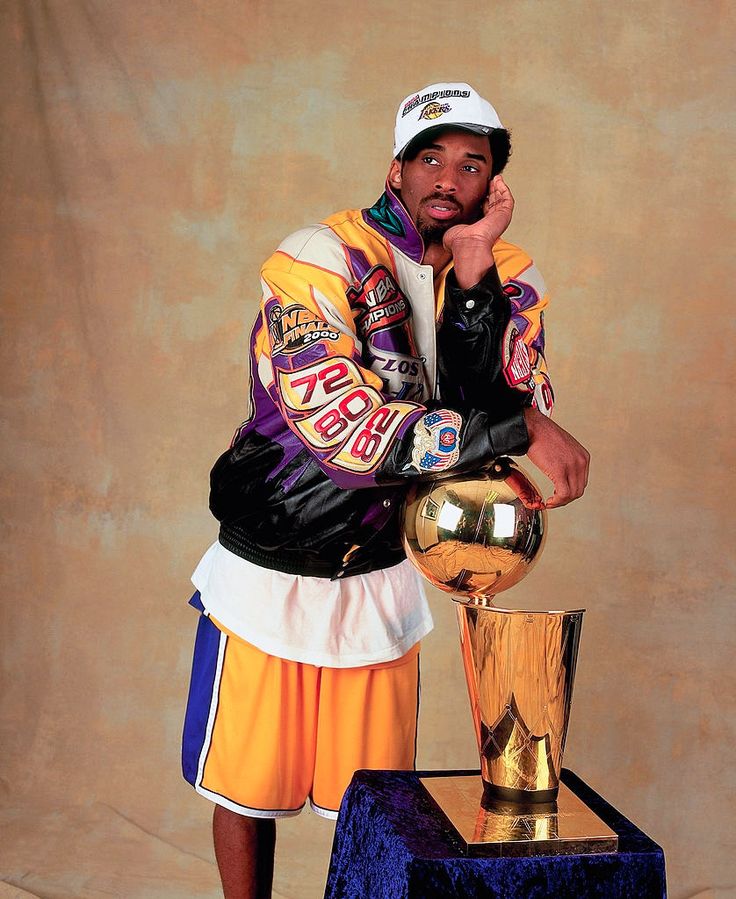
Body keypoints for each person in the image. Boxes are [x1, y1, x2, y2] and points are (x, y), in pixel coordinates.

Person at [181, 81, 589, 898]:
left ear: (493, 186)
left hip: (381, 570)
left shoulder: (511, 275)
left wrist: (473, 282)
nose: (448, 177)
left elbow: (502, 394)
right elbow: (348, 433)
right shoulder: (315, 258)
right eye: (429, 157)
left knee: (371, 805)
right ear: (395, 168)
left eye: (471, 164)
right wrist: (516, 429)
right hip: (271, 561)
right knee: (245, 784)